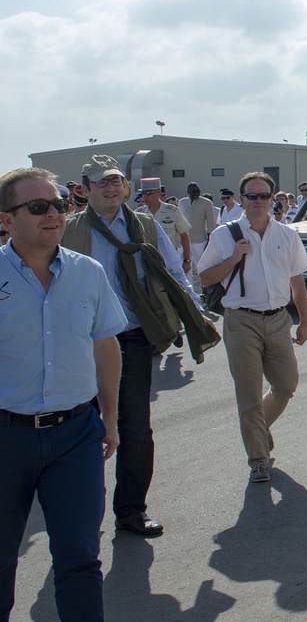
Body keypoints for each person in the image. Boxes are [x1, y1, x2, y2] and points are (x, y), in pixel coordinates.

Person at [62, 156, 220, 537]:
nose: (111, 188)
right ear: (84, 189)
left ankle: (131, 510)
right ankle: (77, 514)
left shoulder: (145, 225)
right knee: (77, 427)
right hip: (81, 341)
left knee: (135, 428)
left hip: (131, 336)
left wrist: (193, 310)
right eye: (101, 183)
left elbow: (171, 269)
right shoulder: (69, 231)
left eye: (116, 181)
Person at [1, 167, 127, 621]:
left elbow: (105, 343)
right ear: (7, 219)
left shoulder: (87, 273)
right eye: (38, 207)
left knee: (80, 559)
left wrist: (109, 418)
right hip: (7, 436)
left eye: (59, 204)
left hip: (76, 436)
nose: (53, 214)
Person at [198, 172, 307, 483]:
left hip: (278, 320)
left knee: (286, 385)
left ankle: (260, 430)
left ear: (273, 200)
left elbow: (297, 282)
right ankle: (258, 459)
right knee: (249, 395)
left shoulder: (287, 236)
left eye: (264, 196)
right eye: (252, 196)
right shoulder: (225, 235)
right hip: (241, 320)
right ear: (242, 200)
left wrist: (304, 321)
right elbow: (205, 278)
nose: (258, 202)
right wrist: (234, 257)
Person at [135, 178, 192, 276]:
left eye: (148, 193)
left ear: (158, 193)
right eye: (143, 193)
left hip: (170, 257)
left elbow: (184, 235)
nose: (144, 196)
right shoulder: (138, 213)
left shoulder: (172, 211)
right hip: (147, 258)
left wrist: (187, 260)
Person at [178, 182, 216, 293]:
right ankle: (189, 292)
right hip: (184, 241)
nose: (196, 194)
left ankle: (206, 291)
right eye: (193, 191)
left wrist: (209, 241)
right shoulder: (182, 202)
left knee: (202, 266)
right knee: (185, 267)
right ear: (188, 192)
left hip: (200, 241)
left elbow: (210, 223)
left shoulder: (206, 203)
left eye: (198, 191)